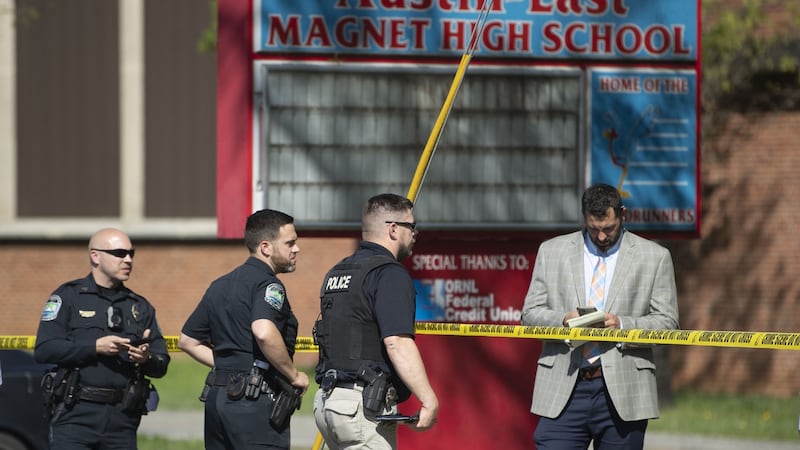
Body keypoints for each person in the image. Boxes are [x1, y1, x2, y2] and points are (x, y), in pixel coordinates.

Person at [521, 183, 679, 450]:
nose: (602, 236)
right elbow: (529, 314)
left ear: (623, 215)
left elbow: (667, 323)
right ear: (584, 217)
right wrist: (563, 321)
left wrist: (622, 325)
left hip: (624, 390)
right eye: (594, 229)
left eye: (609, 228)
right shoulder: (551, 251)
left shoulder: (655, 257)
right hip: (564, 386)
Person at [312, 193, 439, 450]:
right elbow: (397, 342)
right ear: (393, 229)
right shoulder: (389, 273)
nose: (415, 233)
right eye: (411, 226)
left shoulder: (338, 271)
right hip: (361, 410)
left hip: (327, 402)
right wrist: (428, 400)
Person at [178, 209, 309, 450]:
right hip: (254, 402)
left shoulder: (220, 285)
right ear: (266, 247)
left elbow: (187, 340)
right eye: (290, 243)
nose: (297, 249)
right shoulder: (268, 285)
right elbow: (263, 331)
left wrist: (228, 366)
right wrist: (293, 375)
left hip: (218, 398)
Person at [34, 228, 170, 450]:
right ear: (95, 256)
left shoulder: (139, 306)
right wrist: (95, 347)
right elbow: (45, 349)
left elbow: (161, 364)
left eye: (131, 253)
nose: (128, 260)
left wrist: (146, 359)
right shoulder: (69, 296)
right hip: (75, 414)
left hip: (122, 419)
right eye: (119, 253)